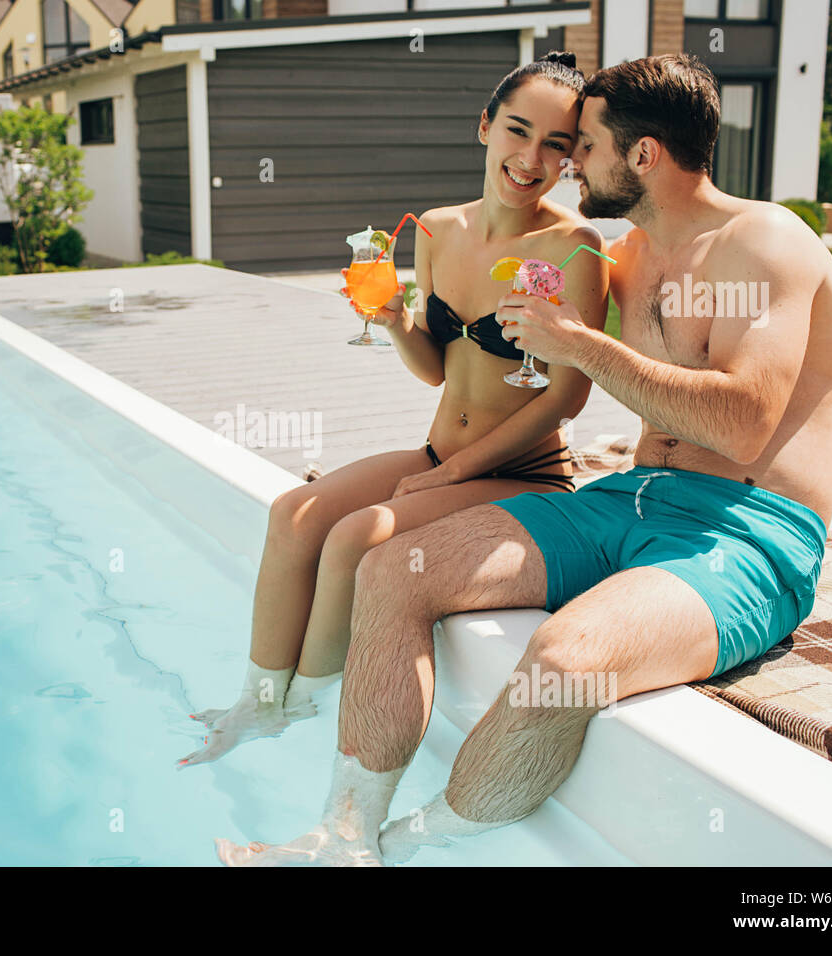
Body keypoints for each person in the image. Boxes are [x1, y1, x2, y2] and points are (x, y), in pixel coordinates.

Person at [217, 52, 832, 864]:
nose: (565, 164)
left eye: (582, 145)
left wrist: (578, 346)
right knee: (391, 570)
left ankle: (403, 845)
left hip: (747, 530)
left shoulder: (766, 241)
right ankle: (340, 831)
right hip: (628, 498)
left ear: (643, 155)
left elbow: (743, 427)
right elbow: (506, 323)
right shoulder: (624, 259)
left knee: (564, 657)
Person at [179, 52, 610, 767]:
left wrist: (455, 473)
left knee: (355, 538)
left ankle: (308, 717)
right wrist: (390, 319)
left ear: (570, 159)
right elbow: (438, 368)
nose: (531, 157)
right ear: (484, 127)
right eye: (517, 130)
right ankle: (259, 705)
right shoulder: (439, 229)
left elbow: (566, 396)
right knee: (294, 512)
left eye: (556, 145)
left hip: (525, 475)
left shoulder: (574, 248)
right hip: (440, 457)